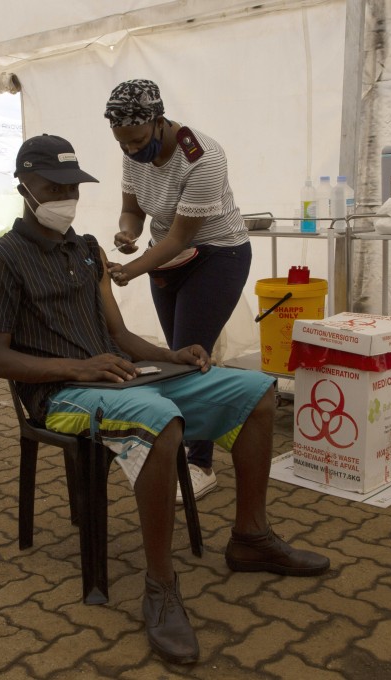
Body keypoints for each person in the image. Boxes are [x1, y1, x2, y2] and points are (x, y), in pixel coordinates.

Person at [0, 134, 329, 665]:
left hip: (120, 374)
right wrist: (80, 368)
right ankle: (161, 586)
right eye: (52, 186)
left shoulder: (87, 249)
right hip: (60, 394)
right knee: (161, 419)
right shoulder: (1, 260)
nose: (65, 196)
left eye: (71, 186)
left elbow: (120, 338)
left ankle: (251, 538)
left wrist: (173, 355)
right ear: (23, 187)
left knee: (256, 391)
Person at [103, 78, 252, 503]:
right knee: (176, 354)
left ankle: (200, 463)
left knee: (191, 353)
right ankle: (183, 445)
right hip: (165, 258)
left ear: (158, 120)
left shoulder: (202, 157)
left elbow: (181, 238)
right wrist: (127, 233)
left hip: (216, 256)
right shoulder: (133, 151)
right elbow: (132, 210)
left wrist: (130, 270)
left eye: (136, 140)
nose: (131, 150)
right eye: (122, 144)